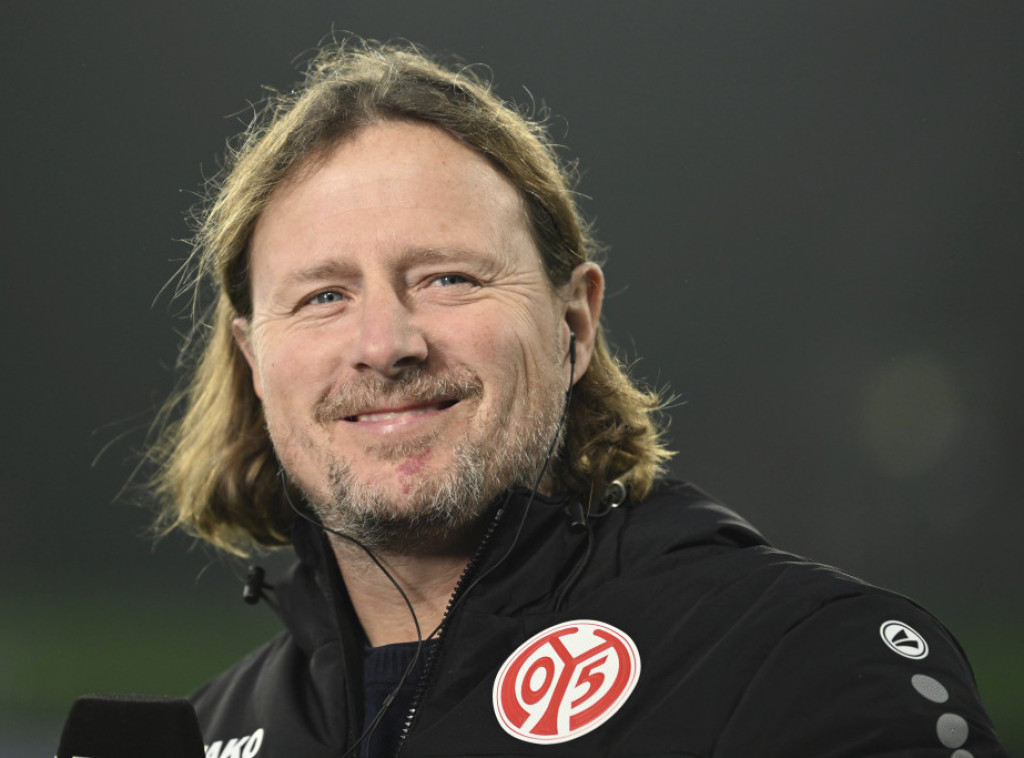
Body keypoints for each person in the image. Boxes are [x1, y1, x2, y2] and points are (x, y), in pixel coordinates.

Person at [150, 39, 1008, 757]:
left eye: (448, 278)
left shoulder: (801, 660)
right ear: (254, 359)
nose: (385, 344)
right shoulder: (209, 732)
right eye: (324, 296)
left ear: (575, 323)